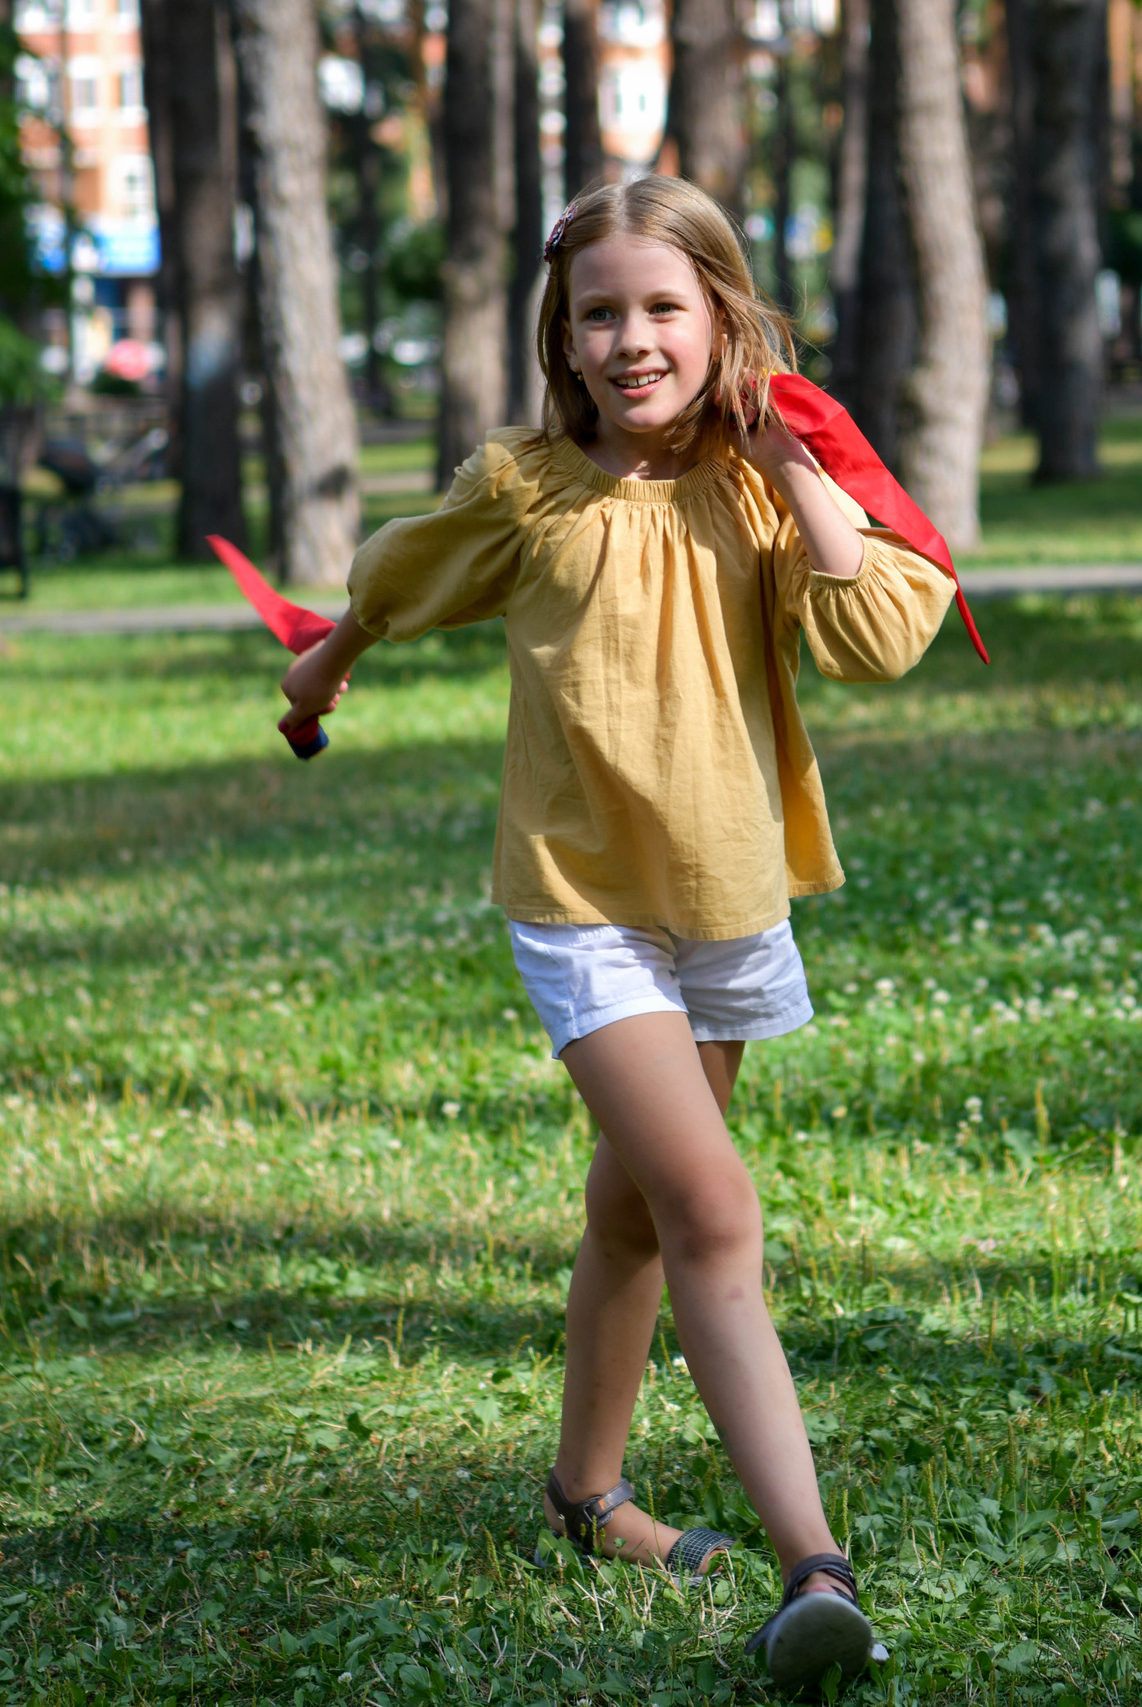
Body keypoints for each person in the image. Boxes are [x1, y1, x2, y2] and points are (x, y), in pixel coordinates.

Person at [276, 176, 956, 1695]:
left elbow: (877, 631)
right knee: (712, 1210)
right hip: (583, 911)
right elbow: (397, 575)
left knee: (638, 1215)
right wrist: (316, 680)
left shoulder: (764, 483)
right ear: (562, 336)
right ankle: (816, 1569)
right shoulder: (529, 488)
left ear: (721, 318)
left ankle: (587, 1496)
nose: (632, 338)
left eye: (664, 307)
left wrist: (800, 471)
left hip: (723, 899)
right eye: (601, 313)